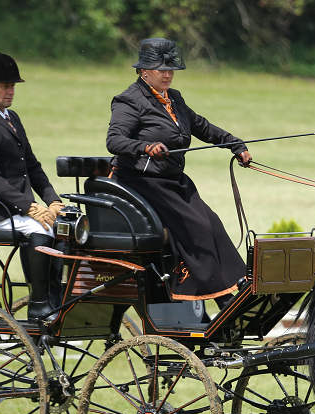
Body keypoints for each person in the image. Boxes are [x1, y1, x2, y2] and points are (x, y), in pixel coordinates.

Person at [106, 37, 251, 309]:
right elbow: (114, 141)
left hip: (172, 180)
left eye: (171, 69)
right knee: (196, 226)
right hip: (141, 181)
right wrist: (145, 146)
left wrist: (235, 144)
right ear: (144, 71)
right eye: (162, 69)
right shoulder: (128, 101)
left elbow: (202, 127)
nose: (168, 74)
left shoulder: (174, 99)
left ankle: (239, 282)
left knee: (213, 223)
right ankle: (221, 297)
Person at [0, 51, 64, 322]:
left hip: (14, 208)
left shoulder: (11, 118)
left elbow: (32, 165)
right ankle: (40, 305)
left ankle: (57, 296)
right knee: (38, 227)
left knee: (65, 224)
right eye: (5, 86)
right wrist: (29, 207)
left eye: (13, 86)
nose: (11, 91)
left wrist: (53, 201)